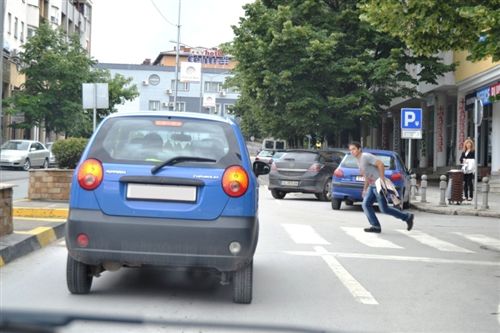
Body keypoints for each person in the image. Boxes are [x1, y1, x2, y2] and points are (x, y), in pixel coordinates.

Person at [348, 142, 414, 233]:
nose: (352, 151)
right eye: (350, 150)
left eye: (354, 149)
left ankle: (407, 217)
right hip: (372, 186)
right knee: (366, 204)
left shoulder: (365, 156)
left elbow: (380, 164)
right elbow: (366, 176)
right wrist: (365, 189)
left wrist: (382, 179)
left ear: (359, 149)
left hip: (378, 184)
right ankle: (375, 226)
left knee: (384, 209)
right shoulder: (358, 160)